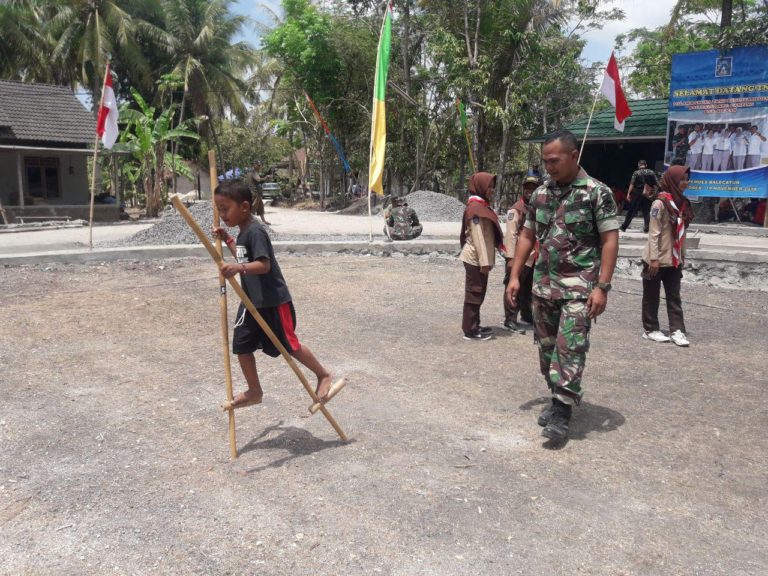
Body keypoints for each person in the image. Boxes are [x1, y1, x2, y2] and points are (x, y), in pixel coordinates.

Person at [506, 130, 619, 443]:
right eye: (545, 161)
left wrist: (602, 286)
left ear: (574, 155)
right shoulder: (541, 194)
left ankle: (562, 410)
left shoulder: (596, 192)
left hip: (579, 289)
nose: (549, 167)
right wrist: (515, 276)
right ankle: (557, 396)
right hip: (544, 287)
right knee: (546, 350)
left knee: (569, 348)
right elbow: (527, 235)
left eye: (554, 161)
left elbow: (610, 240)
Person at [211, 180, 333, 406]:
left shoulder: (256, 231)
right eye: (219, 209)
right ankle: (254, 390)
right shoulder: (243, 233)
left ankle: (323, 374)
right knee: (242, 345)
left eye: (225, 209)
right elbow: (244, 257)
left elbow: (263, 265)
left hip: (273, 301)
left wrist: (238, 268)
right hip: (251, 302)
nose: (222, 214)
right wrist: (227, 239)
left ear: (244, 207)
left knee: (290, 345)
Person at [641, 165, 694, 347]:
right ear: (672, 181)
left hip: (674, 259)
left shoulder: (683, 203)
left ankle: (677, 330)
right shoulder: (660, 203)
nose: (685, 183)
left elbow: (682, 233)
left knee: (674, 296)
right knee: (651, 296)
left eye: (687, 179)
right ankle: (650, 329)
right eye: (682, 180)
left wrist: (682, 256)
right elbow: (653, 233)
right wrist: (654, 259)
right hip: (656, 259)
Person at [459, 172, 504, 341]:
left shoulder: (481, 206)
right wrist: (484, 262)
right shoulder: (476, 209)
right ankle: (470, 329)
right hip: (475, 259)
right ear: (480, 187)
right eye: (489, 187)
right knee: (474, 293)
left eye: (493, 187)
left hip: (479, 259)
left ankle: (475, 324)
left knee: (479, 292)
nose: (491, 190)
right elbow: (478, 237)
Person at [502, 176, 538, 333]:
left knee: (528, 288)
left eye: (533, 188)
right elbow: (510, 236)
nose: (530, 191)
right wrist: (511, 258)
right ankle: (510, 319)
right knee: (514, 287)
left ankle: (526, 314)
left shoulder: (536, 207)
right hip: (519, 257)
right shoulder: (516, 209)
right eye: (528, 188)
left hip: (533, 256)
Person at [620, 160, 656, 233]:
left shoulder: (636, 173)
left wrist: (628, 193)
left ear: (639, 165)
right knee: (647, 211)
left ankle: (624, 227)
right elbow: (655, 184)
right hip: (647, 193)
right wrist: (654, 193)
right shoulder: (651, 172)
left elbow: (632, 184)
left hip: (637, 193)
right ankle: (647, 228)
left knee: (632, 210)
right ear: (646, 165)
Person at [249, 161, 270, 225]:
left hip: (257, 192)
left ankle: (263, 220)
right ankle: (249, 220)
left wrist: (266, 179)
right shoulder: (253, 172)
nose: (260, 166)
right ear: (254, 165)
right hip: (254, 192)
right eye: (258, 165)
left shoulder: (255, 172)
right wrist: (266, 177)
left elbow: (259, 181)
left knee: (261, 206)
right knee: (254, 206)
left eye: (260, 165)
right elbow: (258, 179)